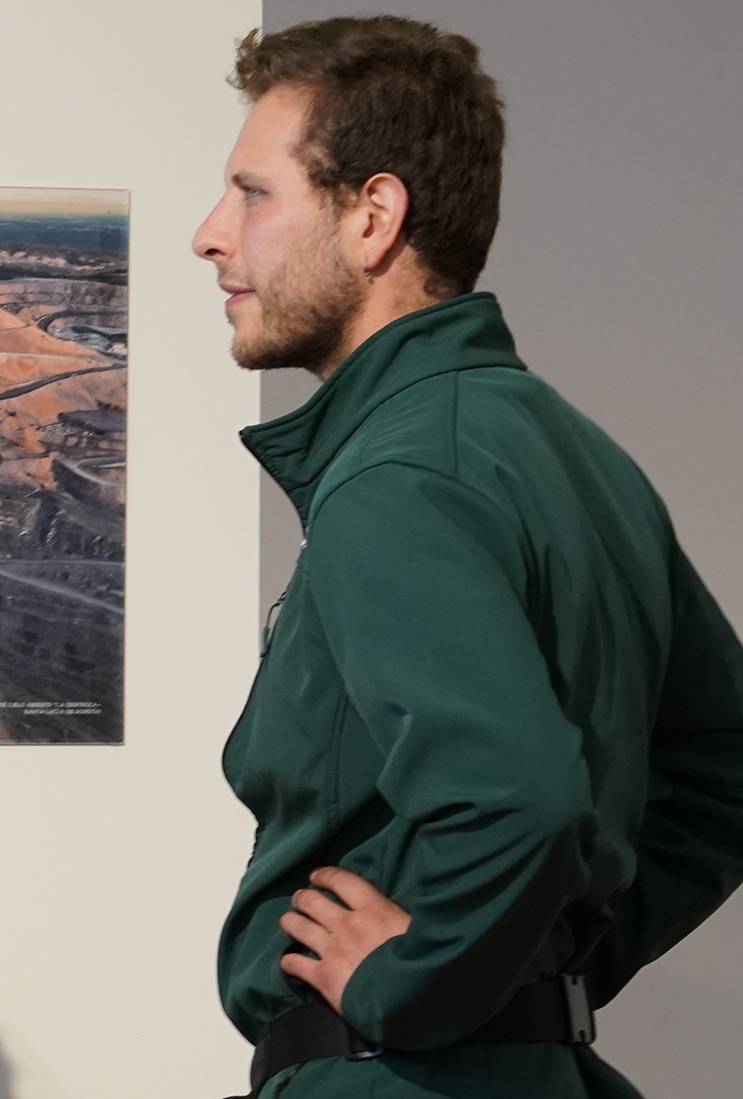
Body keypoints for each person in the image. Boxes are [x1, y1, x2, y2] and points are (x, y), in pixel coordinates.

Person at [191, 16, 743, 1099]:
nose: (211, 233)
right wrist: (544, 967)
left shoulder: (399, 477)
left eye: (253, 193)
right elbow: (724, 767)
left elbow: (520, 796)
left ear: (373, 217)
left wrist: (420, 980)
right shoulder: (575, 454)